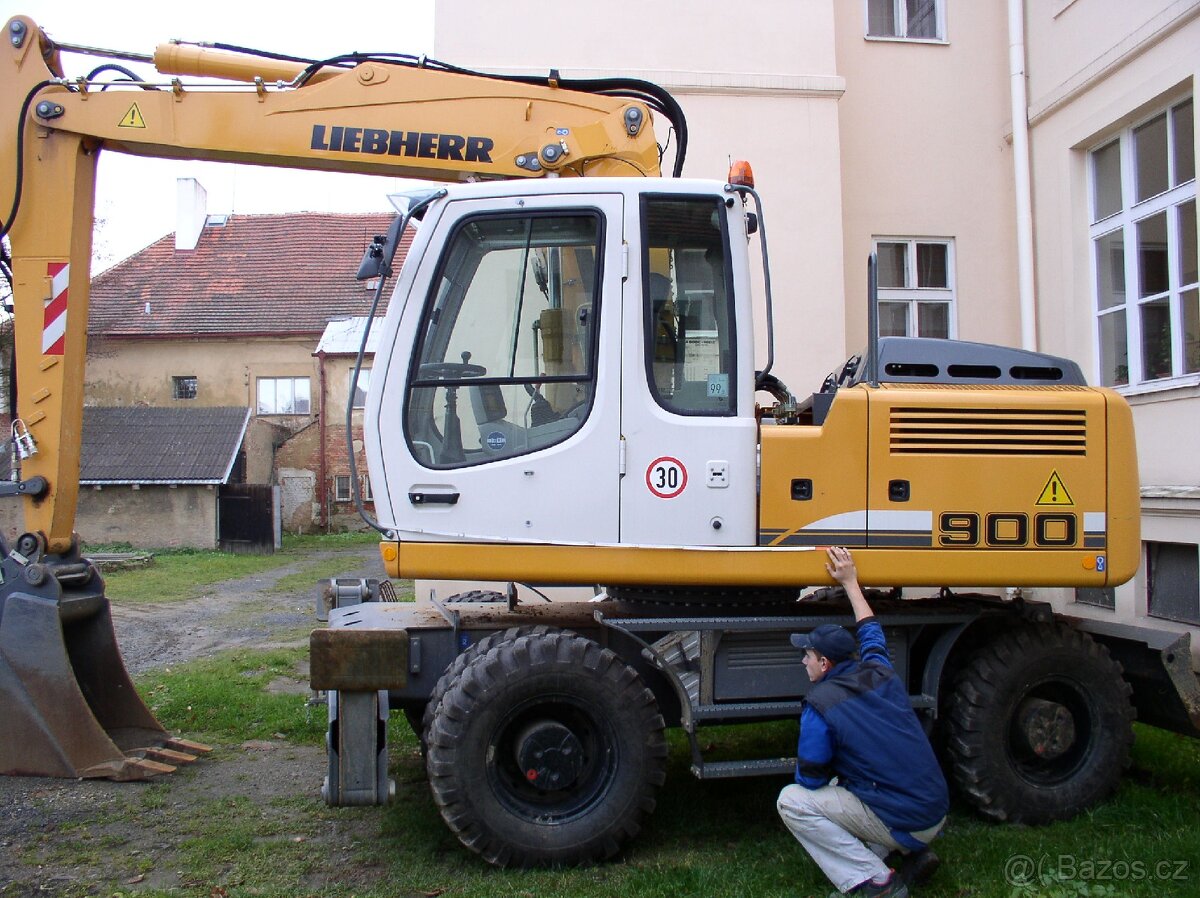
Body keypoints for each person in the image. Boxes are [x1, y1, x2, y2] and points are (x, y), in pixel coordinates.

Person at [777, 547, 947, 898]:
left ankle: (875, 881)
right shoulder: (879, 670)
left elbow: (809, 778)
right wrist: (851, 582)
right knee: (849, 777)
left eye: (806, 655)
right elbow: (870, 630)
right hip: (935, 809)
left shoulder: (819, 706)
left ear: (824, 664)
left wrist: (833, 774)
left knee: (792, 800)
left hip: (907, 819)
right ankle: (913, 854)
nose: (803, 662)